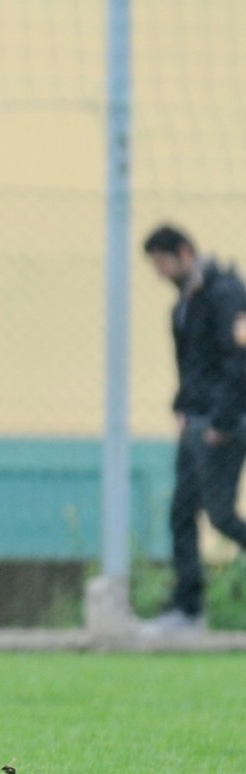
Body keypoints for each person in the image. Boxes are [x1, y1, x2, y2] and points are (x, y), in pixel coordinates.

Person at [141, 224, 246, 634]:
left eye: (163, 262)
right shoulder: (184, 304)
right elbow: (193, 369)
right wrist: (182, 410)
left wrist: (220, 421)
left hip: (223, 424)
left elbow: (237, 363)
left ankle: (188, 609)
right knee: (181, 513)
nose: (159, 273)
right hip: (195, 422)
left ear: (184, 252)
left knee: (220, 517)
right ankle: (187, 610)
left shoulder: (226, 294)